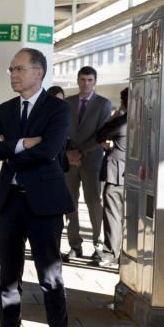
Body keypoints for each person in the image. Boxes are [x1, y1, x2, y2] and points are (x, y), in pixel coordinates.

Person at [0, 48, 73, 327]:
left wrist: (12, 147)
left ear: (38, 72)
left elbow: (48, 151)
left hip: (45, 204)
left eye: (19, 69)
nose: (13, 75)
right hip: (10, 201)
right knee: (8, 277)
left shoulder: (58, 109)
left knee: (50, 277)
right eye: (11, 70)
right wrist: (22, 143)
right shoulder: (6, 109)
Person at [63, 66, 112, 261]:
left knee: (93, 202)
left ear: (95, 82)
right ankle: (75, 246)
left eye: (90, 80)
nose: (86, 84)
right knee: (70, 203)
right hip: (70, 160)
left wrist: (80, 152)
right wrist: (68, 153)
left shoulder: (103, 104)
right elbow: (62, 130)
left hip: (92, 160)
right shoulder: (68, 103)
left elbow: (102, 134)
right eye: (83, 79)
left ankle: (98, 245)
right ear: (78, 80)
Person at [95, 87, 128, 268]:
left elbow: (100, 135)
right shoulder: (145, 120)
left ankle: (110, 253)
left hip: (116, 175)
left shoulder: (122, 121)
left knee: (112, 214)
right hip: (135, 175)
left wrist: (115, 116)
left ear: (123, 102)